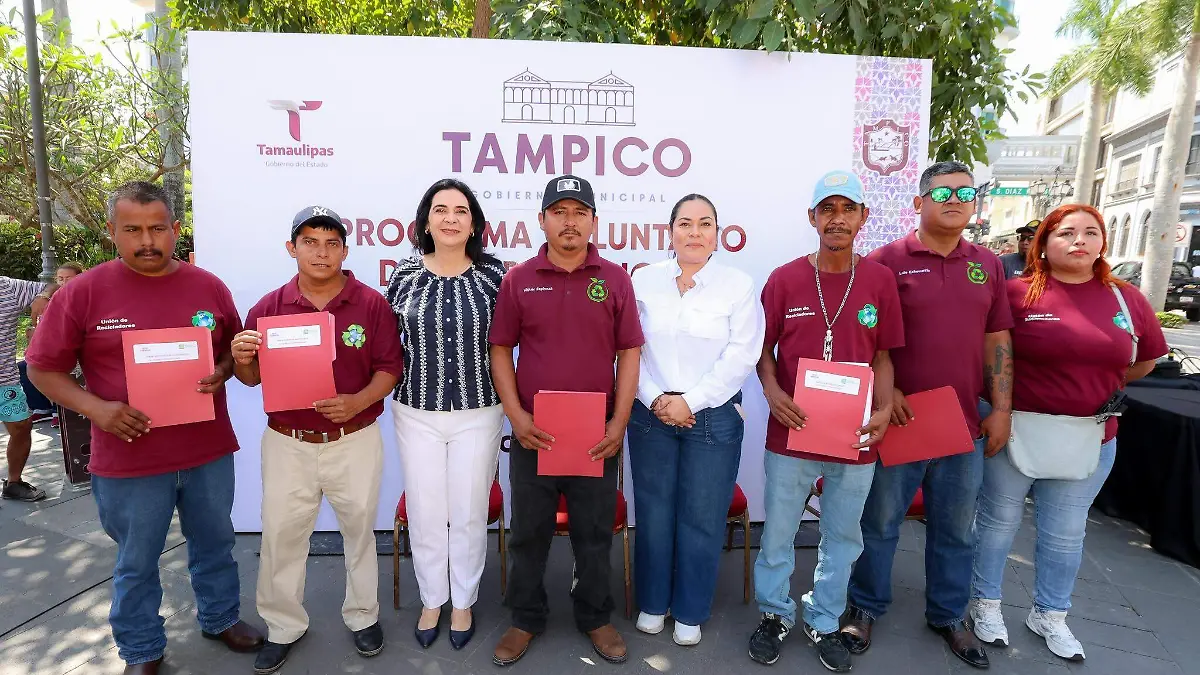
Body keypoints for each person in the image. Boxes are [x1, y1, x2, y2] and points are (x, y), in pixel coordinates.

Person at [26, 181, 264, 675]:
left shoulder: (207, 286)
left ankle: (221, 617)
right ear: (112, 232)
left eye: (158, 228)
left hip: (206, 449)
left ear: (175, 228)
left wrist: (222, 369)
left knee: (216, 542)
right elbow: (41, 368)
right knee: (136, 561)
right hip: (128, 456)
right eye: (132, 230)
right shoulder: (83, 293)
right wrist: (98, 410)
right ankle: (141, 649)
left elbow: (231, 350)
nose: (147, 240)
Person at [969, 205, 1167, 661]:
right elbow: (990, 356)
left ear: (1103, 242)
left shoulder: (1126, 299)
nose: (1079, 240)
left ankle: (1050, 614)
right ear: (1045, 243)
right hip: (1016, 430)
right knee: (998, 523)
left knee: (1065, 533)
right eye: (1066, 232)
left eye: (1091, 232)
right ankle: (986, 605)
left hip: (1090, 437)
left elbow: (1144, 361)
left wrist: (1091, 385)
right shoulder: (1015, 293)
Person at [842, 161, 1014, 670]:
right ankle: (865, 605)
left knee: (957, 528)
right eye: (943, 192)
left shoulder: (989, 264)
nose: (955, 199)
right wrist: (883, 395)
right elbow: (866, 341)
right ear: (918, 203)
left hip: (964, 423)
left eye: (966, 192)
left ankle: (948, 615)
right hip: (901, 420)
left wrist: (1001, 407)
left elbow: (997, 337)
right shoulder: (885, 262)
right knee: (880, 522)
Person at [231, 205, 403, 674]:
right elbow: (249, 379)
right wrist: (241, 356)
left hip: (355, 437)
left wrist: (356, 401)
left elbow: (390, 368)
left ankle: (363, 615)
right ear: (292, 248)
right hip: (289, 440)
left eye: (331, 243)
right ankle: (283, 625)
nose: (321, 251)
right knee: (283, 536)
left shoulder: (371, 304)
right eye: (310, 241)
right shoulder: (268, 307)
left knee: (360, 532)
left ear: (345, 250)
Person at [747, 171, 902, 672]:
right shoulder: (784, 278)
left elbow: (882, 358)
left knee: (843, 535)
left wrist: (882, 410)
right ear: (812, 217)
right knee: (779, 534)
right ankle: (774, 613)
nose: (837, 218)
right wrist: (772, 393)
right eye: (827, 209)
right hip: (791, 430)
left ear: (863, 217)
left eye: (847, 208)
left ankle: (824, 618)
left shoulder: (879, 280)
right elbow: (761, 352)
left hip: (855, 435)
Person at [488, 174, 644, 667]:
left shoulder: (615, 279)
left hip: (594, 433)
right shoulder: (519, 278)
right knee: (529, 531)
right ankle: (525, 617)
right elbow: (500, 350)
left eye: (580, 212)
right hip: (534, 431)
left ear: (594, 221)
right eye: (560, 211)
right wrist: (516, 415)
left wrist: (618, 422)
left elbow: (629, 353)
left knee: (593, 532)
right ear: (542, 220)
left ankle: (595, 616)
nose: (569, 221)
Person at [629, 194, 765, 647]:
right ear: (670, 232)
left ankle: (689, 609)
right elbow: (629, 349)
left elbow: (742, 353)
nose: (694, 232)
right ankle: (652, 603)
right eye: (685, 223)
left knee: (702, 517)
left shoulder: (737, 284)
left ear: (716, 234)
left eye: (704, 224)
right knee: (653, 513)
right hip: (650, 415)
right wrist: (656, 399)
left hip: (713, 418)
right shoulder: (643, 280)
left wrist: (692, 400)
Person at [385, 179, 507, 651]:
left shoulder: (496, 275)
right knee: (426, 509)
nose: (450, 218)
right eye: (441, 209)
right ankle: (433, 598)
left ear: (473, 222)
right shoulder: (404, 275)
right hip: (415, 409)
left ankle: (463, 601)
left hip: (479, 410)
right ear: (426, 220)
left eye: (460, 210)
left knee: (470, 510)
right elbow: (385, 343)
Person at [1, 272, 58, 502]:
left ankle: (14, 483)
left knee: (21, 427)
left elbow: (54, 286)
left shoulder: (8, 288)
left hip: (5, 381)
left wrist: (43, 296)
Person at [20, 263, 86, 424]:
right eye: (60, 279)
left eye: (68, 278)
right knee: (25, 365)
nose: (63, 282)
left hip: (75, 350)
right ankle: (41, 408)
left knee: (57, 365)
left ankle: (60, 411)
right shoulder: (51, 300)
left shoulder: (83, 297)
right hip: (52, 346)